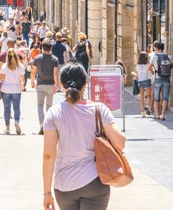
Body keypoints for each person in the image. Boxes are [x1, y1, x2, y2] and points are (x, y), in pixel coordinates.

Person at [42, 63, 127, 210]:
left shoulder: (53, 113)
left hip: (64, 186)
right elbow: (120, 143)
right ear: (85, 84)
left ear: (62, 85)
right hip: (94, 182)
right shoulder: (99, 110)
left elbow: (49, 155)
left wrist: (47, 192)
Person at [31, 40, 60, 135]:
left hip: (40, 84)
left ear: (42, 48)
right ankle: (47, 125)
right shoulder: (55, 59)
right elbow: (55, 73)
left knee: (40, 105)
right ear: (51, 48)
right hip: (51, 84)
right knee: (49, 106)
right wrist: (57, 85)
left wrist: (32, 81)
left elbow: (33, 71)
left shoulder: (37, 58)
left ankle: (42, 123)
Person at [0, 48, 25, 135]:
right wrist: (22, 85)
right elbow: (22, 79)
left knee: (7, 109)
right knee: (16, 108)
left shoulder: (4, 66)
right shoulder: (20, 66)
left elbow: (2, 78)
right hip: (16, 90)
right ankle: (17, 121)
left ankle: (7, 127)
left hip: (5, 90)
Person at [149, 41, 173, 121]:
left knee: (156, 97)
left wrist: (153, 72)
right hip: (166, 78)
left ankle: (157, 114)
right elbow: (172, 66)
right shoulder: (168, 57)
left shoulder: (154, 56)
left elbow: (149, 67)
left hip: (157, 78)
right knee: (165, 97)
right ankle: (163, 114)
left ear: (157, 48)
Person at [135, 52, 153, 116]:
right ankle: (148, 107)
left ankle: (143, 112)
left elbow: (137, 74)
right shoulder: (148, 64)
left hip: (140, 80)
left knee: (141, 97)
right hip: (147, 80)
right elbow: (151, 72)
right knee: (149, 96)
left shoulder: (138, 65)